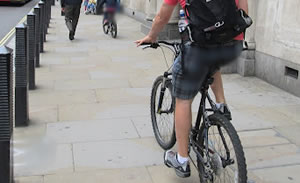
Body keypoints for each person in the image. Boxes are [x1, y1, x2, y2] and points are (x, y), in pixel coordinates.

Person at [135, 0, 249, 178]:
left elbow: (162, 16)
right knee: (212, 62)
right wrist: (238, 29)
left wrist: (151, 36)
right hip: (232, 42)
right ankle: (221, 106)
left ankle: (181, 160)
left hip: (201, 46)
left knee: (182, 99)